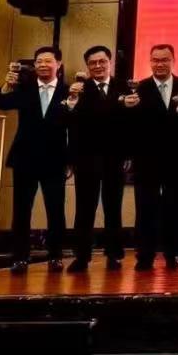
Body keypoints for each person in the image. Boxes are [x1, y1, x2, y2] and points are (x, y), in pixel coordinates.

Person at [0, 47, 69, 273]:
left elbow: (76, 127)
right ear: (34, 65)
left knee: (55, 209)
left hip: (55, 159)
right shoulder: (24, 89)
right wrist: (7, 85)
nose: (43, 65)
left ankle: (55, 256)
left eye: (48, 61)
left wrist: (71, 160)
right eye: (39, 61)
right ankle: (19, 257)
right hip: (25, 158)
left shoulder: (69, 91)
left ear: (58, 64)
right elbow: (1, 102)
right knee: (21, 210)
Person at [125, 43, 178, 270]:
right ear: (150, 62)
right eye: (155, 60)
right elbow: (130, 127)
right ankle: (145, 256)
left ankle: (173, 253)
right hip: (146, 161)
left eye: (165, 59)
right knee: (145, 208)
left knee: (175, 207)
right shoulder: (138, 89)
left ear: (173, 61)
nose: (160, 64)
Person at [65, 45, 126, 272]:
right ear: (87, 67)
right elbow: (71, 125)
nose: (98, 66)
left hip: (115, 158)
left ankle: (114, 255)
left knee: (113, 207)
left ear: (110, 63)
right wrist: (72, 99)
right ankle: (81, 257)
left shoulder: (124, 87)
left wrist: (128, 154)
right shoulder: (79, 89)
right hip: (86, 158)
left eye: (102, 62)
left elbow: (130, 126)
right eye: (93, 63)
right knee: (84, 209)